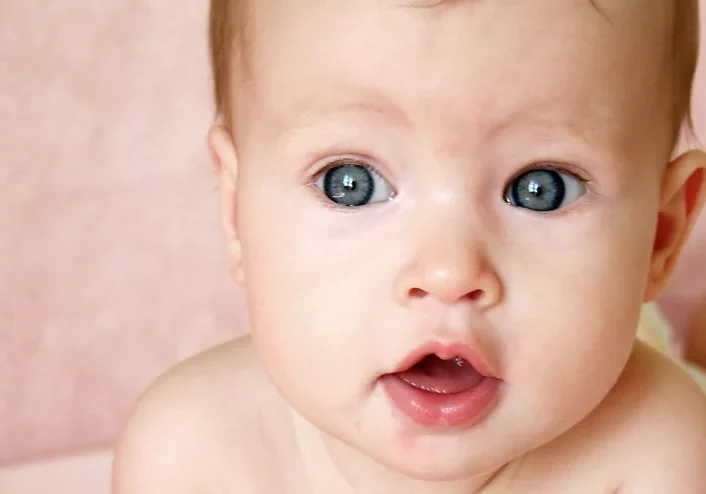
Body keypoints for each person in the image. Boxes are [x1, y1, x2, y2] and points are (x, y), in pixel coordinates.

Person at [112, 1, 706, 492]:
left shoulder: (657, 456)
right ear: (236, 211)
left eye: (539, 189)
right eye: (352, 184)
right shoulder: (191, 457)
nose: (448, 272)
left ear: (661, 234)